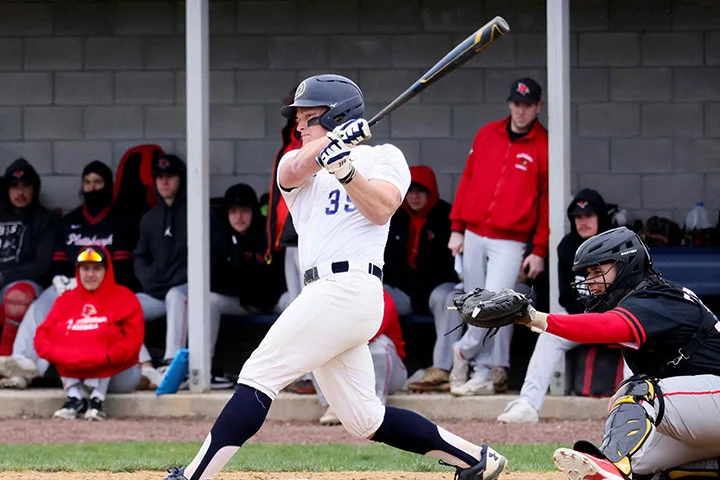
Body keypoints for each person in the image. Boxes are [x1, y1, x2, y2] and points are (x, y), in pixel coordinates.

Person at [162, 74, 507, 480]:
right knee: (365, 420)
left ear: (337, 114)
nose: (299, 126)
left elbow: (380, 209)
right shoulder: (300, 164)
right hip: (321, 293)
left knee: (258, 375)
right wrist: (330, 145)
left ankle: (192, 476)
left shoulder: (385, 158)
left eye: (308, 117)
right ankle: (475, 459)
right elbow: (290, 170)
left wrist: (346, 168)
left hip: (351, 289)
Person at [509, 227, 720, 480]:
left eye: (598, 271)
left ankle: (612, 466)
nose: (589, 281)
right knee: (641, 466)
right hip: (707, 409)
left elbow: (607, 327)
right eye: (588, 273)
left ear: (627, 266)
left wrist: (534, 318)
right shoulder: (644, 296)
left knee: (639, 392)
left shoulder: (658, 296)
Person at [448, 77, 549, 396]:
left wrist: (539, 249)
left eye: (528, 105)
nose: (521, 111)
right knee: (474, 301)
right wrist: (456, 227)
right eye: (517, 104)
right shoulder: (487, 133)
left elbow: (547, 200)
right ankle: (482, 372)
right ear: (510, 104)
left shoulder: (544, 144)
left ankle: (463, 352)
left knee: (493, 305)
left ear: (538, 107)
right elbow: (467, 179)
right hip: (475, 231)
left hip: (511, 238)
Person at [0, 160, 140, 389]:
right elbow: (57, 262)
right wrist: (60, 279)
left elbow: (124, 268)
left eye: (98, 182)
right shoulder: (71, 221)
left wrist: (99, 284)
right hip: (70, 286)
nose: (92, 188)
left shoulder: (121, 220)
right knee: (39, 307)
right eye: (87, 182)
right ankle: (21, 367)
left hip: (106, 290)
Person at [497, 189, 612, 423]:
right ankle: (528, 404)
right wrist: (587, 320)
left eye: (589, 215)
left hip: (615, 319)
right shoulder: (568, 246)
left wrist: (604, 319)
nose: (583, 222)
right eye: (578, 217)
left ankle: (641, 408)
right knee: (549, 333)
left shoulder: (616, 243)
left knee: (641, 339)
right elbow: (566, 297)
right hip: (585, 319)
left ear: (600, 216)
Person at [34, 246, 144, 420]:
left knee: (105, 335)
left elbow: (134, 339)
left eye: (96, 268)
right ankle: (75, 398)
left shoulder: (125, 297)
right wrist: (57, 354)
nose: (90, 275)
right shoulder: (65, 300)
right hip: (76, 372)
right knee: (64, 339)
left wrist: (106, 355)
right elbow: (43, 335)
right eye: (85, 268)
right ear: (78, 270)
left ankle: (97, 399)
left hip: (119, 376)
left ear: (106, 270)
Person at [381, 165, 458, 393]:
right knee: (375, 296)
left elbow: (446, 267)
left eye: (420, 191)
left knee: (448, 299)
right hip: (406, 290)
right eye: (410, 191)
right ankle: (376, 366)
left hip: (437, 287)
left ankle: (442, 369)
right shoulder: (395, 216)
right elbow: (389, 262)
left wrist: (418, 286)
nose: (414, 197)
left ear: (431, 192)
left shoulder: (447, 216)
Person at [204, 183, 288, 387]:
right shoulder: (220, 237)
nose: (238, 217)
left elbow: (273, 278)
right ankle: (204, 370)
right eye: (233, 211)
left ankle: (304, 374)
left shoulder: (267, 233)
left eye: (244, 211)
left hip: (272, 299)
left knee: (295, 303)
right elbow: (218, 279)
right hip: (241, 301)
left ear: (253, 212)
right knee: (209, 301)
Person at [316, 289, 407, 425]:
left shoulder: (381, 297)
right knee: (317, 346)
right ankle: (336, 404)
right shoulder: (335, 299)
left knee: (381, 345)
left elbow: (368, 333)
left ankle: (375, 405)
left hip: (393, 374)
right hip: (353, 368)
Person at [133, 155, 189, 375]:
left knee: (175, 296)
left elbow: (208, 258)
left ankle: (171, 364)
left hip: (185, 291)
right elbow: (139, 257)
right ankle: (145, 366)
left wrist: (171, 281)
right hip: (157, 291)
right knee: (126, 305)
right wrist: (149, 281)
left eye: (170, 177)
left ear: (180, 179)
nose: (164, 182)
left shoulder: (196, 212)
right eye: (160, 177)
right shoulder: (149, 218)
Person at [0, 159, 59, 355]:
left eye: (26, 186)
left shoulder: (44, 219)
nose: (20, 192)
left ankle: (6, 361)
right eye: (14, 186)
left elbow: (41, 265)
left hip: (25, 286)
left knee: (18, 296)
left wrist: (4, 277)